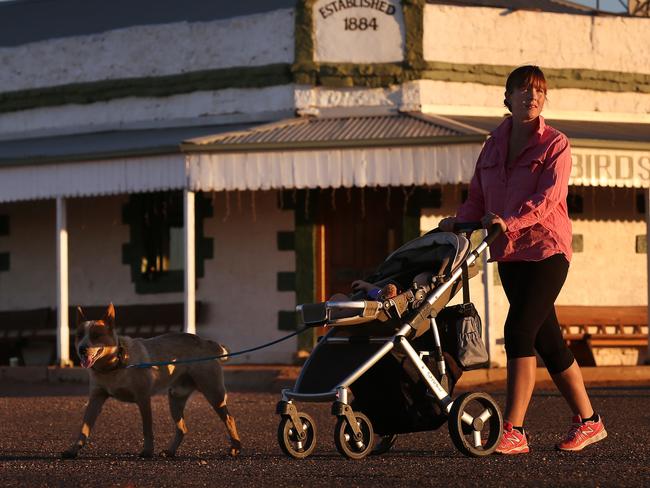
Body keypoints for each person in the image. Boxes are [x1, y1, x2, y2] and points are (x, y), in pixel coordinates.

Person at [439, 65, 606, 454]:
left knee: (518, 331)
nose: (533, 97)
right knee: (549, 341)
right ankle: (590, 421)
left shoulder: (556, 144)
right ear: (508, 97)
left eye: (539, 92)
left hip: (547, 249)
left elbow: (548, 200)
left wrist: (508, 222)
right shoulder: (492, 145)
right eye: (524, 91)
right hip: (509, 252)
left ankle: (514, 429)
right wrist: (459, 221)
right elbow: (478, 197)